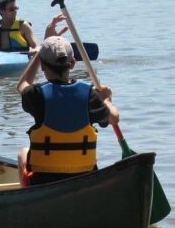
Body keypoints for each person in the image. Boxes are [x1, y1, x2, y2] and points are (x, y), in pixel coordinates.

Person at [16, 15, 119, 187]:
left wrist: (41, 49)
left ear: (43, 65)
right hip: (85, 177)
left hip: (44, 180)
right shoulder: (89, 95)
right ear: (72, 64)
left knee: (23, 154)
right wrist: (107, 100)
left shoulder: (37, 94)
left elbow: (22, 85)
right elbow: (114, 118)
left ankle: (26, 200)